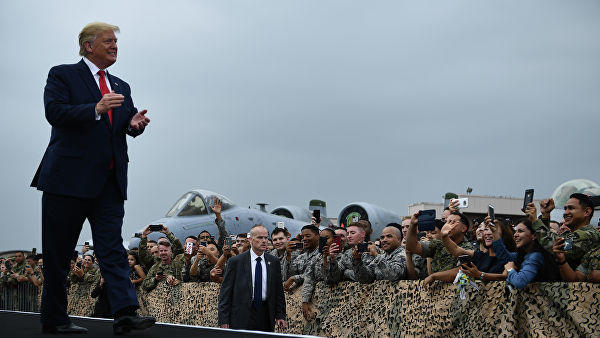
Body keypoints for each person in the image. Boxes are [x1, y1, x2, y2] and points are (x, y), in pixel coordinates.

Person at [30, 22, 154, 334]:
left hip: (109, 183)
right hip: (66, 180)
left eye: (116, 42)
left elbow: (124, 125)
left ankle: (125, 313)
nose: (115, 46)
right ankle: (55, 318)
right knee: (58, 252)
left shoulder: (121, 86)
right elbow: (55, 113)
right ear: (89, 46)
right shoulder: (62, 74)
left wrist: (135, 125)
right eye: (108, 41)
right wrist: (96, 108)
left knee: (112, 248)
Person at [218, 225, 286, 331]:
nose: (264, 241)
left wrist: (280, 315)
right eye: (260, 238)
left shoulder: (274, 261)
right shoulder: (236, 262)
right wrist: (224, 320)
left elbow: (278, 291)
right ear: (250, 240)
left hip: (266, 314)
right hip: (241, 315)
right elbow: (225, 293)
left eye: (266, 238)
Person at [533, 195, 600, 270]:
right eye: (565, 209)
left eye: (571, 208)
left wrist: (534, 221)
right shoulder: (570, 234)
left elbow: (554, 245)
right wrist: (545, 215)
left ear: (587, 212)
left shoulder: (589, 234)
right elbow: (547, 243)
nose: (565, 213)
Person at [407, 210, 475, 284]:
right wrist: (412, 225)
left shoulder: (468, 248)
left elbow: (462, 271)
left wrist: (435, 276)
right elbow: (412, 247)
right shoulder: (438, 244)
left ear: (463, 228)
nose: (448, 225)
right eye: (447, 222)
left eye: (452, 222)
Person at [282, 225, 320, 291]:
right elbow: (286, 277)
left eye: (308, 236)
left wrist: (294, 278)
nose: (304, 239)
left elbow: (317, 275)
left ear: (317, 236)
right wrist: (288, 255)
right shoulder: (301, 257)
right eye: (302, 237)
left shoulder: (323, 254)